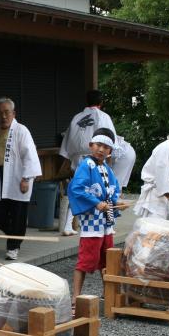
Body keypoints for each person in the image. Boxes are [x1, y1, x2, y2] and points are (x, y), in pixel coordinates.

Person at [0, 97, 41, 260]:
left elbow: (30, 156)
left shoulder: (22, 131)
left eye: (6, 112)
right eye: (0, 113)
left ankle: (13, 247)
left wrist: (26, 178)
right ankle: (16, 235)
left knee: (18, 212)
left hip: (18, 177)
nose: (3, 116)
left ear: (13, 113)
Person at [68, 130, 121, 300]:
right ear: (91, 145)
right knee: (85, 260)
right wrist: (96, 202)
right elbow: (77, 189)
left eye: (106, 147)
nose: (101, 149)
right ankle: (76, 297)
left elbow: (114, 189)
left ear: (110, 151)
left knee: (108, 259)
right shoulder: (86, 165)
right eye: (98, 145)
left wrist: (115, 202)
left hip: (106, 221)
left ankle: (108, 294)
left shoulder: (106, 168)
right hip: (92, 221)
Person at [59, 89, 117, 235]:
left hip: (78, 157)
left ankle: (68, 225)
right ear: (101, 102)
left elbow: (68, 140)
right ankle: (105, 224)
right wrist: (108, 156)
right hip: (94, 158)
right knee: (97, 190)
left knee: (80, 189)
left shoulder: (77, 117)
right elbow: (109, 139)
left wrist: (68, 159)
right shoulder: (103, 117)